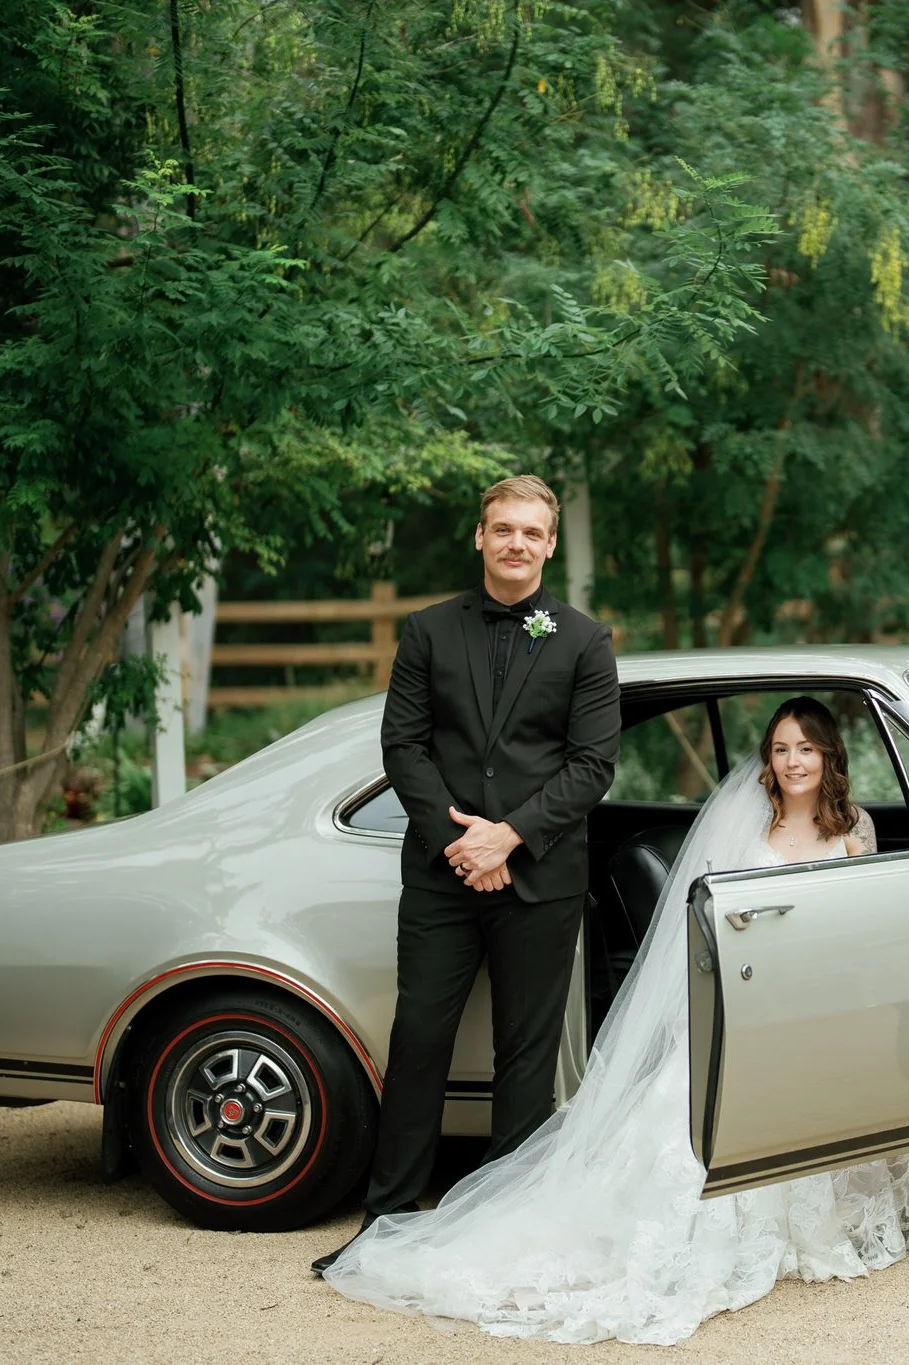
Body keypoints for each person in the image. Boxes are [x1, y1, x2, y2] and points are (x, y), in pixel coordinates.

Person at [321, 696, 909, 1345]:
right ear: (768, 759)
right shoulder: (747, 830)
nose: (792, 761)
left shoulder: (854, 828)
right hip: (750, 1013)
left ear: (829, 755)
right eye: (781, 748)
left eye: (805, 748)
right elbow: (709, 935)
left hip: (820, 1009)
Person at [311, 475, 620, 1275]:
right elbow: (403, 747)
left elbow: (593, 766)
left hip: (542, 877)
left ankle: (506, 1224)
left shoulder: (585, 642)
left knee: (526, 1055)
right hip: (442, 875)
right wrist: (461, 844)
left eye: (531, 532)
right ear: (478, 537)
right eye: (503, 528)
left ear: (549, 546)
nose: (517, 542)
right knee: (418, 1039)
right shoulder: (425, 632)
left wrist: (508, 837)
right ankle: (387, 1219)